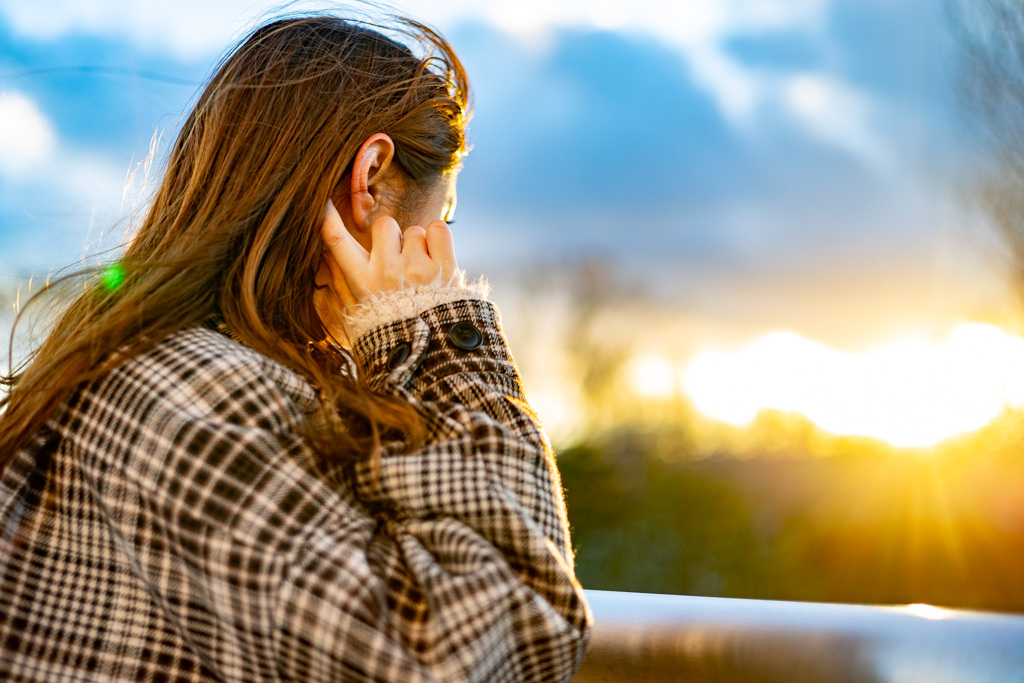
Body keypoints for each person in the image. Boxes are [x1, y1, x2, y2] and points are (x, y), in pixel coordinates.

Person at [0, 14, 591, 682]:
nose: (442, 252)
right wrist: (442, 336)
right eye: (441, 217)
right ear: (369, 179)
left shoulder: (152, 367)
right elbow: (483, 654)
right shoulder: (200, 391)